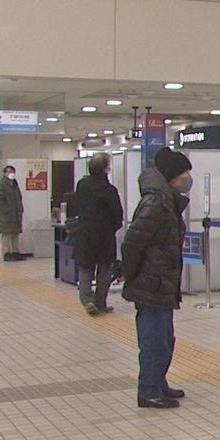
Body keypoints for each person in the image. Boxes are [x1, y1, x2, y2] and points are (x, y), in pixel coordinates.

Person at [121, 148, 193, 409]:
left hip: (161, 282)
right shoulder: (156, 203)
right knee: (154, 341)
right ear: (172, 176)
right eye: (184, 172)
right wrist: (133, 274)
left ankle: (158, 383)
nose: (188, 178)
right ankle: (148, 391)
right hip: (152, 282)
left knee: (165, 339)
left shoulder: (166, 201)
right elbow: (132, 242)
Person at [72, 153, 124, 316]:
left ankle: (87, 300)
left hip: (85, 233)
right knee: (104, 269)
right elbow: (117, 214)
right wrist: (112, 228)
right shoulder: (109, 190)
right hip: (105, 235)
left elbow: (76, 205)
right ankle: (101, 302)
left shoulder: (82, 185)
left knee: (86, 268)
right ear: (105, 168)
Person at [0, 165, 26, 262]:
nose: (11, 173)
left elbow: (19, 198)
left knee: (15, 234)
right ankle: (6, 253)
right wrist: (6, 211)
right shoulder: (2, 185)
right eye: (8, 172)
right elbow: (0, 200)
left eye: (12, 171)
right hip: (7, 215)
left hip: (16, 214)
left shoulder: (15, 185)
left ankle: (15, 251)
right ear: (4, 173)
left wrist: (20, 209)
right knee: (7, 235)